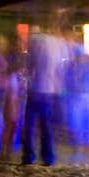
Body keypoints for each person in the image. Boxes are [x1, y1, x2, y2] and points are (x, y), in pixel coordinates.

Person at [21, 21, 68, 167]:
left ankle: (29, 156)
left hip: (36, 88)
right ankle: (48, 157)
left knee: (30, 124)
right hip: (49, 90)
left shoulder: (36, 41)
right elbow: (62, 68)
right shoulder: (59, 43)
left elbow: (29, 65)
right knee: (46, 125)